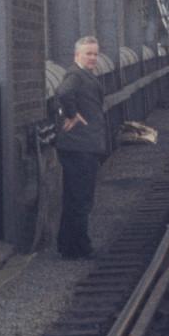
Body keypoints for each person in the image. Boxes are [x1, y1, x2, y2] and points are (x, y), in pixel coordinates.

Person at [55, 35, 109, 259]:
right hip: (80, 146)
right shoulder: (75, 74)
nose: (93, 58)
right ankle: (80, 247)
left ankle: (68, 246)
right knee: (81, 198)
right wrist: (72, 114)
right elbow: (63, 92)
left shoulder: (85, 75)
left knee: (75, 197)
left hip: (81, 146)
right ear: (77, 55)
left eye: (95, 54)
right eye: (88, 53)